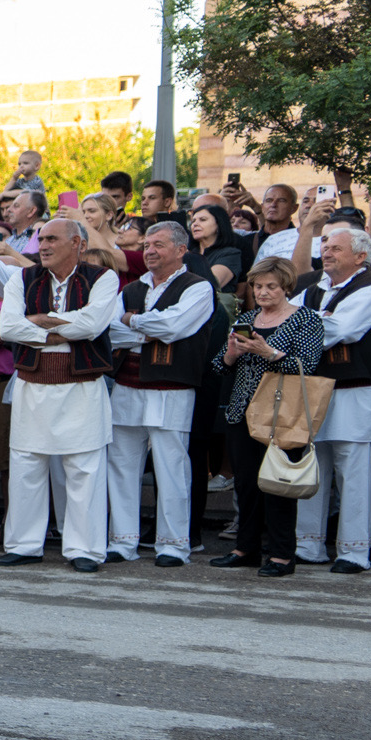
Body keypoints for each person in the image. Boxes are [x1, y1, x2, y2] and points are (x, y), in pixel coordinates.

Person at [0, 215, 120, 571]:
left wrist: (37, 322)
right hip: (33, 386)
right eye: (40, 239)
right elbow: (7, 327)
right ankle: (24, 545)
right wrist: (64, 327)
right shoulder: (22, 277)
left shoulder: (104, 277)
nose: (42, 246)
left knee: (84, 468)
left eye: (51, 239)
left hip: (82, 386)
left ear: (77, 243)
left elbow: (94, 325)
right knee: (26, 465)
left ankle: (85, 550)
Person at [104, 219, 213, 565]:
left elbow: (175, 326)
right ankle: (123, 541)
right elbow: (108, 332)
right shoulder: (132, 289)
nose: (149, 251)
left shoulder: (198, 287)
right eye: (147, 245)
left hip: (172, 386)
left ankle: (173, 544)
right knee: (121, 463)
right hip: (127, 384)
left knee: (171, 465)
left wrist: (134, 323)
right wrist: (150, 330)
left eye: (158, 245)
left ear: (181, 250)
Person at [211, 259, 325, 577]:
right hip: (242, 411)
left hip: (282, 414)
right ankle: (245, 548)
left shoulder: (306, 319)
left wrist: (267, 352)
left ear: (286, 287)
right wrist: (232, 354)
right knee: (246, 484)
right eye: (258, 286)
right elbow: (220, 366)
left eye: (270, 286)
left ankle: (281, 555)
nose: (262, 292)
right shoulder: (246, 318)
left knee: (278, 483)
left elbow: (307, 365)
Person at [292, 223, 371, 572]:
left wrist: (305, 325)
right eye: (325, 245)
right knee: (312, 466)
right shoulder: (312, 287)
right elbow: (279, 321)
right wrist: (314, 321)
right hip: (315, 386)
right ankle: (308, 546)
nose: (327, 252)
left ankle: (354, 551)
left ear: (360, 256)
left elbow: (341, 331)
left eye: (336, 248)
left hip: (357, 389)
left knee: (354, 471)